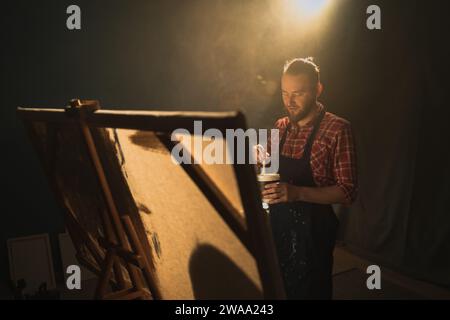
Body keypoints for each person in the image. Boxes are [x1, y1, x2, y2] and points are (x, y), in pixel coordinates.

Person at [256, 57, 358, 299]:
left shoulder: (338, 129)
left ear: (317, 90)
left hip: (312, 237)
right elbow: (271, 171)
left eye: (298, 94)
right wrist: (260, 159)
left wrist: (297, 192)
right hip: (277, 232)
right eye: (284, 93)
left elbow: (348, 192)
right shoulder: (279, 127)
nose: (289, 102)